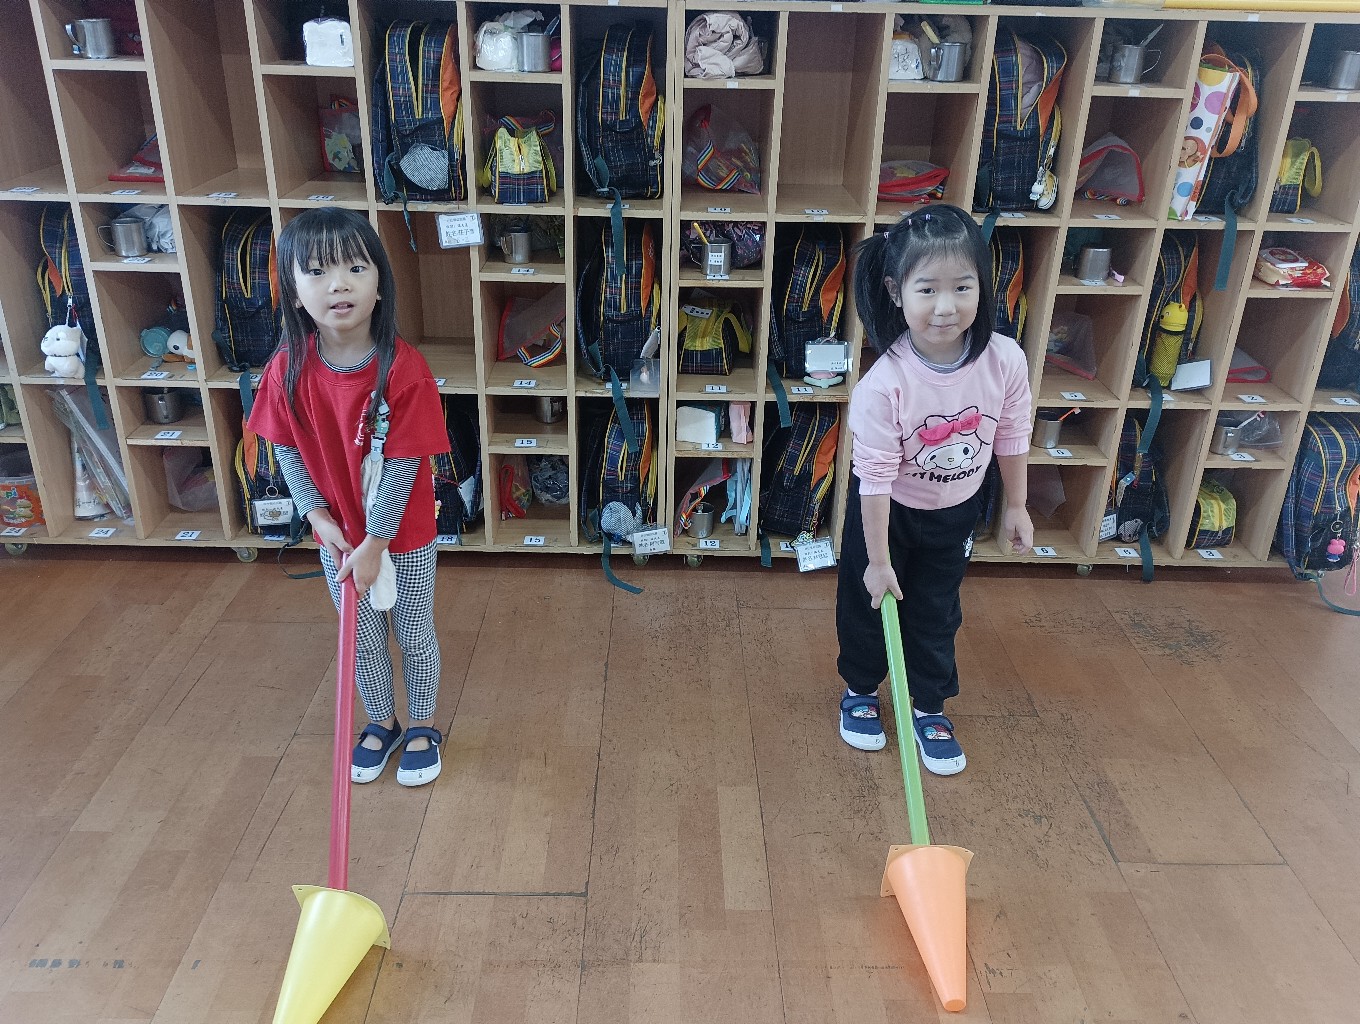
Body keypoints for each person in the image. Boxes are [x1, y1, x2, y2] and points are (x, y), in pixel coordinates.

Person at [249, 207, 450, 787]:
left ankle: (422, 724)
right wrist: (317, 517)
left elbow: (403, 467)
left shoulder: (403, 370)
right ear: (293, 292)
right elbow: (286, 448)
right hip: (336, 536)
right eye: (317, 272)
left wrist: (374, 545)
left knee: (413, 630)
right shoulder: (286, 370)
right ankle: (381, 721)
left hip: (403, 537)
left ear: (379, 284)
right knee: (360, 636)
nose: (338, 285)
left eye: (355, 269)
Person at [836, 205, 1033, 775]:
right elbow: (874, 479)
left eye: (962, 287)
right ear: (896, 293)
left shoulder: (1004, 360)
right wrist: (877, 562)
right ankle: (860, 690)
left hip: (956, 511)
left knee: (937, 610)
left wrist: (1016, 505)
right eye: (927, 289)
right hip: (886, 515)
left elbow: (1012, 432)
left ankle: (929, 707)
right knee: (869, 604)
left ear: (982, 286)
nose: (946, 306)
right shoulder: (883, 386)